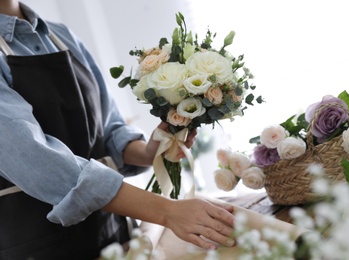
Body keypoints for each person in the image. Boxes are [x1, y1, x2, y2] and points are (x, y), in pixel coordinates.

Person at [0, 1, 236, 259]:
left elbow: (108, 129)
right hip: (40, 244)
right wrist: (168, 211)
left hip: (114, 233)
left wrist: (149, 151)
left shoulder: (61, 36)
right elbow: (38, 163)